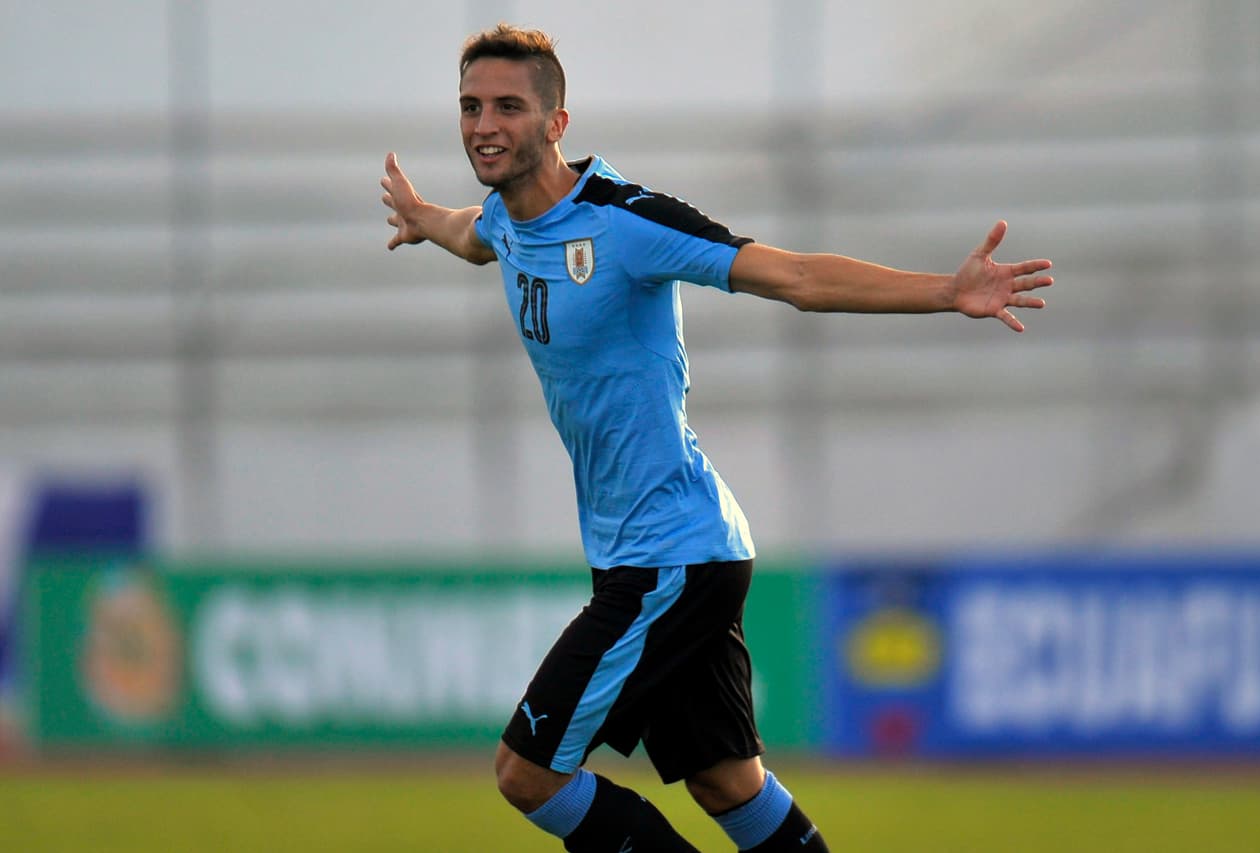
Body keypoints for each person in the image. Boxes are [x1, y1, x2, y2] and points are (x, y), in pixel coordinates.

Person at [380, 23, 1052, 853]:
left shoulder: (629, 223)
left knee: (527, 773)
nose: (485, 124)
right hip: (663, 550)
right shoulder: (502, 220)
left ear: (556, 122)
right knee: (725, 782)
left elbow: (796, 278)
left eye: (509, 107)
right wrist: (421, 218)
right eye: (471, 106)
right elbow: (474, 236)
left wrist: (946, 291)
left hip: (671, 558)